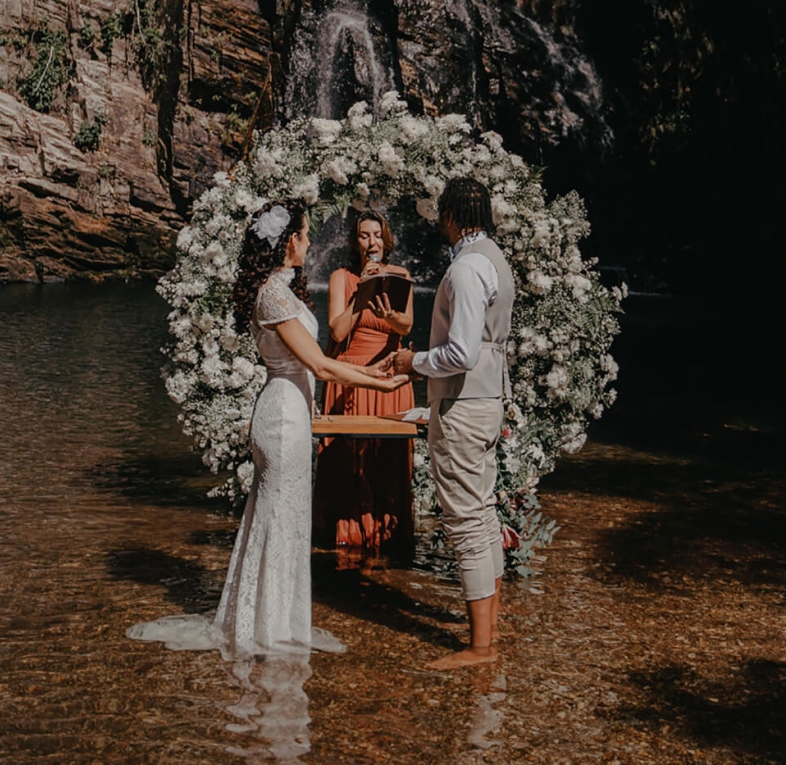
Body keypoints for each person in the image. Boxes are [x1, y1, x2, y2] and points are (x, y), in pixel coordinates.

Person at [128, 200, 407, 657]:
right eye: (304, 233)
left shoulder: (283, 291)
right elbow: (318, 364)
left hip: (291, 411)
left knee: (287, 519)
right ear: (288, 241)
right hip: (280, 417)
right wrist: (376, 377)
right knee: (278, 519)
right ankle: (266, 627)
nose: (311, 241)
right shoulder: (272, 296)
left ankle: (273, 619)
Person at [388, 177, 514, 670]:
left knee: (464, 520)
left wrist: (411, 362)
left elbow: (460, 353)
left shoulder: (465, 269)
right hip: (489, 400)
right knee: (482, 514)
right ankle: (488, 633)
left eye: (441, 214)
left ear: (452, 216)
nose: (439, 222)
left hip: (463, 406)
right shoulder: (497, 262)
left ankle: (479, 648)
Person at [313, 209, 415, 554]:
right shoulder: (342, 277)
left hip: (389, 373)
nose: (371, 241)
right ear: (355, 242)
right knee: (348, 458)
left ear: (385, 240)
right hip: (353, 374)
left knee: (387, 458)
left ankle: (387, 534)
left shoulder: (402, 275)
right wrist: (363, 291)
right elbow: (337, 331)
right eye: (363, 235)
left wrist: (391, 316)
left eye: (376, 235)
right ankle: (345, 535)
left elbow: (406, 328)